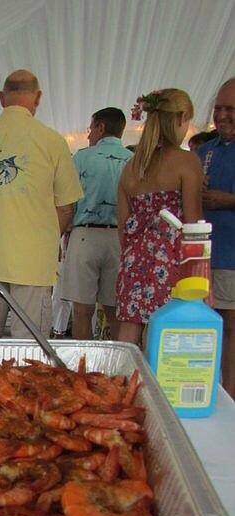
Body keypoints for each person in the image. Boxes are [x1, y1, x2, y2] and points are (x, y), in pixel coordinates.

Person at [0, 69, 83, 338]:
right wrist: (47, 240)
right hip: (33, 260)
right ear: (37, 98)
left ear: (1, 98)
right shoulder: (52, 141)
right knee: (31, 349)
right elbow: (66, 206)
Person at [116, 88, 203, 346]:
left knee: (129, 332)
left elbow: (123, 229)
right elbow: (194, 225)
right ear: (181, 117)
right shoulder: (187, 162)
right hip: (176, 264)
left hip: (133, 260)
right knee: (170, 338)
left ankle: (124, 384)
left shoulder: (130, 167)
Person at [59, 107, 133, 339]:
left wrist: (64, 231)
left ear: (101, 127)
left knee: (82, 310)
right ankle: (118, 366)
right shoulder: (134, 160)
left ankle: (83, 370)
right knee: (115, 311)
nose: (89, 135)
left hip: (85, 235)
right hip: (121, 239)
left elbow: (67, 202)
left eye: (91, 129)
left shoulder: (82, 157)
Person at [196, 78, 235, 398]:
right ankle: (210, 391)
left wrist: (230, 200)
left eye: (230, 109)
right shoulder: (204, 150)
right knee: (206, 328)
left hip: (231, 257)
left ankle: (229, 395)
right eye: (219, 108)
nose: (222, 115)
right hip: (201, 258)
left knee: (231, 328)